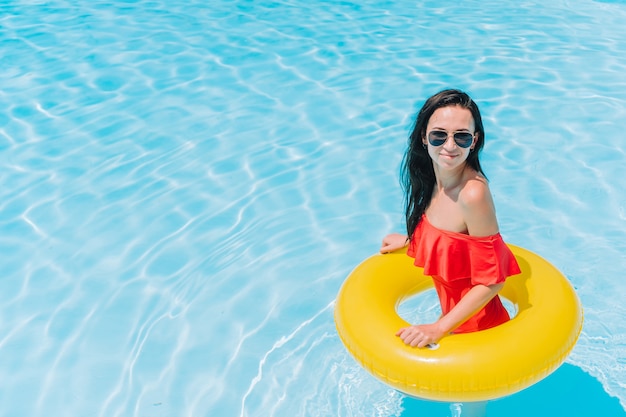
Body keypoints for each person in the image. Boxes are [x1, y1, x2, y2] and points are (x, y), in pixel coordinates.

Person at [380, 89, 521, 349]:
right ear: (424, 136)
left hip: (481, 332)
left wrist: (438, 328)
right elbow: (452, 239)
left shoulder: (472, 194)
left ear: (475, 140)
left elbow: (493, 280)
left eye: (462, 137)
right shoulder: (434, 179)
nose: (449, 146)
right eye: (438, 135)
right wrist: (413, 239)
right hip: (454, 322)